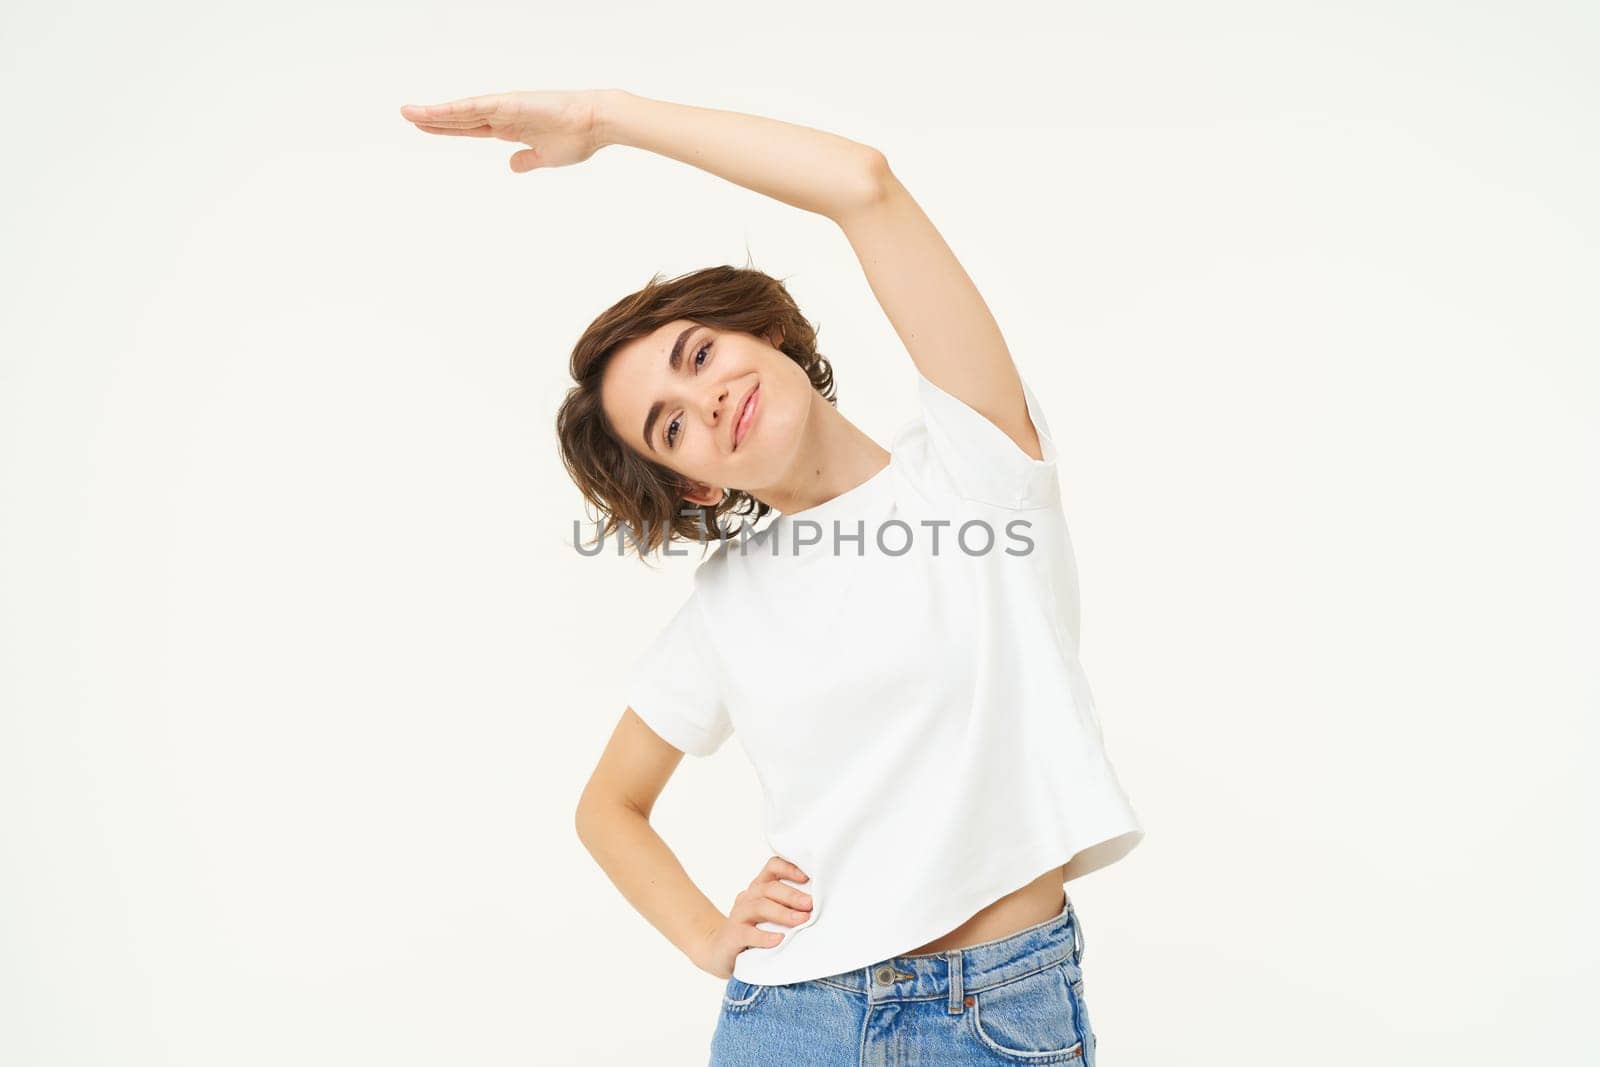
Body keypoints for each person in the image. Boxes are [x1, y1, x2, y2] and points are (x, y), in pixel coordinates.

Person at [402, 87, 1144, 1065]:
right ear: (695, 479)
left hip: (991, 1013)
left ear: (770, 335)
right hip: (789, 1022)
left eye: (699, 353)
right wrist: (712, 933)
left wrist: (607, 120)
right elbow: (607, 806)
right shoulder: (727, 603)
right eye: (670, 424)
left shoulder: (978, 469)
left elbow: (863, 185)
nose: (706, 399)